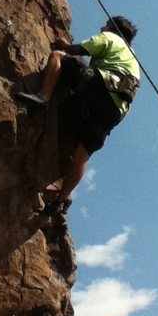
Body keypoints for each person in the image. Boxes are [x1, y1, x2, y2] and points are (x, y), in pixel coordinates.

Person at [16, 16, 140, 219]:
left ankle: (43, 97)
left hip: (103, 88)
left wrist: (65, 45)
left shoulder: (111, 38)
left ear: (113, 28)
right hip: (116, 111)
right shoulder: (132, 57)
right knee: (82, 153)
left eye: (106, 25)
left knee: (57, 56)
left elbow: (80, 50)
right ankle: (60, 200)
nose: (102, 27)